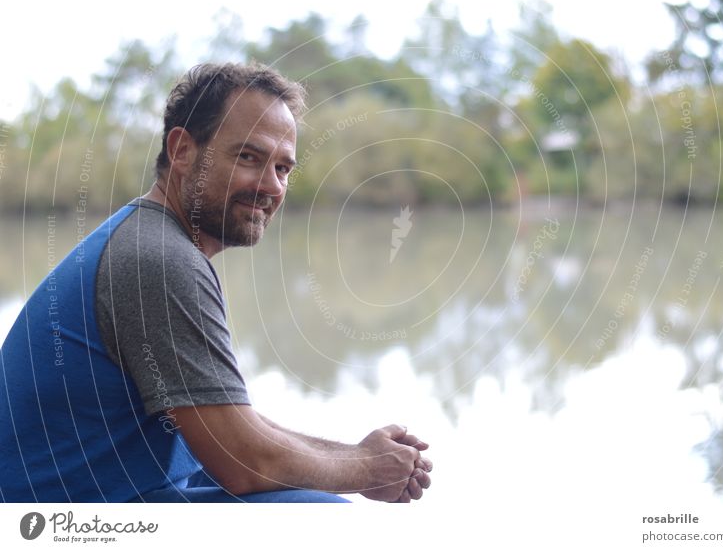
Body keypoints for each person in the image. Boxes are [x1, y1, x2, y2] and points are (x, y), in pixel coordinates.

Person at [0, 63, 432, 503]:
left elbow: (231, 425)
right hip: (55, 526)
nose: (270, 185)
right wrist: (365, 472)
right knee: (317, 516)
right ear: (183, 150)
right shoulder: (159, 260)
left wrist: (357, 455)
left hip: (106, 500)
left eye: (283, 168)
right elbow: (242, 462)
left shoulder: (153, 240)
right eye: (248, 156)